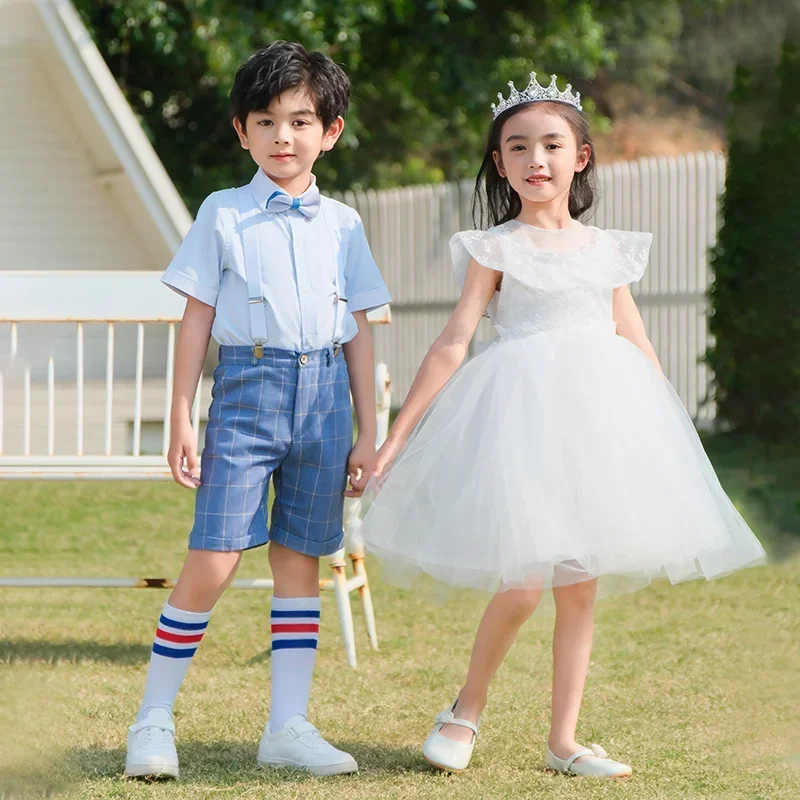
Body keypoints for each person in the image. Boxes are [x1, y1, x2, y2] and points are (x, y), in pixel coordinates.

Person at [357, 73, 765, 777]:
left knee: (580, 584)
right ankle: (464, 710)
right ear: (500, 164)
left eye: (551, 144)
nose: (535, 159)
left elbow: (632, 335)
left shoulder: (604, 248)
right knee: (521, 582)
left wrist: (669, 430)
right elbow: (454, 341)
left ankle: (564, 741)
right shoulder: (496, 248)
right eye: (518, 148)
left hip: (600, 422)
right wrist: (397, 435)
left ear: (580, 156)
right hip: (520, 419)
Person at [124, 41, 390, 780]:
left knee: (300, 559)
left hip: (326, 398)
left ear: (330, 131)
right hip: (247, 391)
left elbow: (361, 329)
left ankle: (287, 726)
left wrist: (372, 431)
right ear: (241, 130)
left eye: (301, 121)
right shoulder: (223, 213)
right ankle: (152, 719)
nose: (284, 137)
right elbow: (196, 320)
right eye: (266, 121)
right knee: (212, 559)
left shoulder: (344, 224)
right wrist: (180, 415)